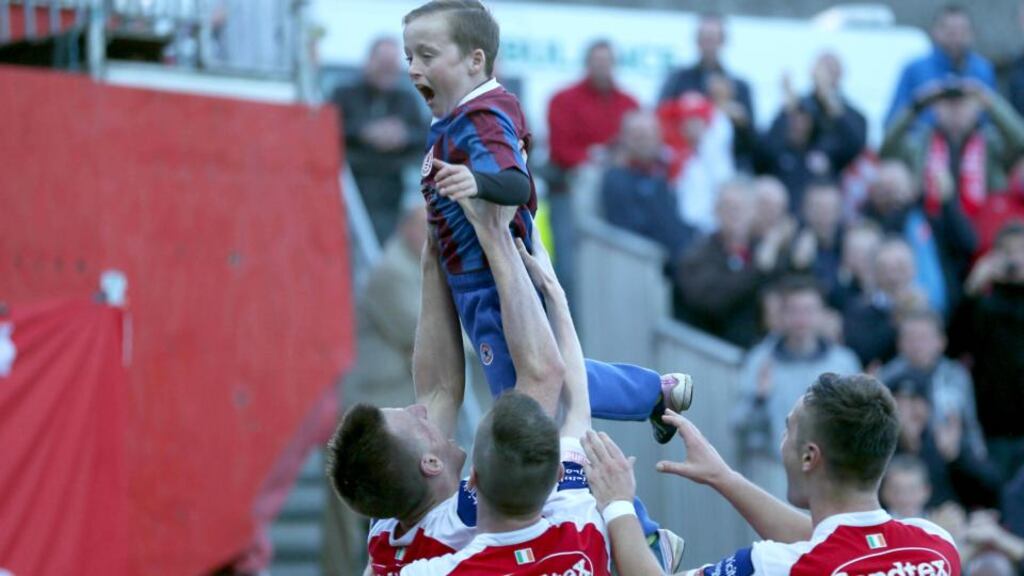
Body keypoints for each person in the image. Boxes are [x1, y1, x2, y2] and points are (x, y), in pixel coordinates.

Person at [403, 1, 689, 441]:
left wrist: (474, 182)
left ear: (475, 60)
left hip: (493, 281)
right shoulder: (455, 119)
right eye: (409, 57)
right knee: (531, 385)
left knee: (523, 402)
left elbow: (514, 183)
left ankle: (645, 404)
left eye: (426, 55)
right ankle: (651, 394)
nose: (413, 69)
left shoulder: (480, 118)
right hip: (474, 278)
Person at [401, 201, 683, 575]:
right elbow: (554, 382)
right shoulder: (578, 527)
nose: (417, 411)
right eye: (410, 421)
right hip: (513, 260)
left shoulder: (403, 552)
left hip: (508, 257)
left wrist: (434, 255)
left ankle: (654, 397)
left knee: (520, 401)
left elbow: (437, 393)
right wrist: (500, 240)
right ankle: (647, 534)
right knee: (520, 398)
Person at [582, 372, 963, 576]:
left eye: (789, 430)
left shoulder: (776, 566)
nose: (784, 442)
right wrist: (724, 478)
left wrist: (618, 505)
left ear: (809, 457)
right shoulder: (937, 545)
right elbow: (837, 541)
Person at [321, 203, 428, 576]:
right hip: (366, 410)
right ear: (406, 227)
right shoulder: (391, 271)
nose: (432, 236)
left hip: (385, 409)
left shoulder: (410, 269)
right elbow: (421, 334)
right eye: (424, 226)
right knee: (349, 517)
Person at [733, 277, 861, 499]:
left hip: (832, 477)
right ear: (782, 316)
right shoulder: (760, 361)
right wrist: (759, 400)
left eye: (809, 310)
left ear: (822, 314)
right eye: (794, 311)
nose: (802, 319)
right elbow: (739, 427)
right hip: (776, 480)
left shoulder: (843, 363)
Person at [547, 40, 639, 302]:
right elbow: (560, 149)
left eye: (607, 62)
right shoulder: (562, 100)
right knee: (569, 269)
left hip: (616, 198)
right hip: (571, 192)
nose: (602, 68)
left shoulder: (628, 103)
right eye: (597, 62)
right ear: (587, 64)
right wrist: (595, 158)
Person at [881, 79, 1024, 220]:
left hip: (984, 226)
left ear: (977, 109)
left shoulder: (991, 142)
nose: (955, 111)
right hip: (932, 227)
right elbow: (888, 148)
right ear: (935, 109)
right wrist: (917, 105)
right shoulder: (921, 142)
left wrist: (990, 102)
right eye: (948, 104)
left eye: (962, 104)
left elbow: (1020, 141)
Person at [332, 37, 428, 241]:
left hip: (391, 194)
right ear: (369, 62)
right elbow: (327, 131)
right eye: (382, 63)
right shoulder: (344, 95)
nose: (387, 70)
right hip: (350, 190)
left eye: (391, 65)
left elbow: (423, 136)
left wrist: (402, 136)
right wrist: (364, 132)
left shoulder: (406, 100)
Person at [674, 178, 781, 348]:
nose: (734, 213)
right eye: (728, 207)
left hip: (755, 356)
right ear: (715, 211)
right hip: (709, 351)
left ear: (753, 212)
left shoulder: (764, 251)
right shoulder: (696, 255)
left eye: (741, 208)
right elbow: (711, 302)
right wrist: (757, 270)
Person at [960, 221, 1024, 479]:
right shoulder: (983, 303)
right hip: (996, 427)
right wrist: (972, 289)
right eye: (1008, 252)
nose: (1015, 259)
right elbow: (956, 344)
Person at [879, 309, 986, 460]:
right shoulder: (887, 376)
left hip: (954, 453)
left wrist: (978, 455)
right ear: (899, 343)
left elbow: (970, 423)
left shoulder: (956, 375)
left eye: (923, 338)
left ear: (941, 342)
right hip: (901, 455)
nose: (917, 345)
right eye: (910, 338)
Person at [600, 110, 699, 266]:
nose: (645, 141)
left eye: (650, 135)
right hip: (649, 263)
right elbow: (630, 231)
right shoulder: (617, 179)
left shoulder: (664, 174)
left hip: (685, 256)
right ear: (625, 139)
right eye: (638, 135)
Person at [659, 13, 755, 170]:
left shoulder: (741, 87)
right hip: (683, 164)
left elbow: (752, 142)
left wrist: (741, 122)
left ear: (723, 42)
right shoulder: (677, 80)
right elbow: (660, 119)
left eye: (713, 38)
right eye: (704, 38)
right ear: (696, 41)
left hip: (728, 165)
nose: (708, 44)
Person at [885, 4, 996, 127]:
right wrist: (923, 100)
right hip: (923, 143)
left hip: (973, 144)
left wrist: (979, 97)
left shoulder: (982, 70)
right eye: (950, 32)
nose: (956, 38)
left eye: (962, 31)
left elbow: (994, 125)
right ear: (935, 32)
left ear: (972, 34)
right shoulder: (915, 69)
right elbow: (891, 123)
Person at [880, 454, 933, 519]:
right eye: (896, 490)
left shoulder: (939, 524)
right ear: (884, 491)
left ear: (926, 490)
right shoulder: (874, 526)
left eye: (912, 490)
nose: (904, 498)